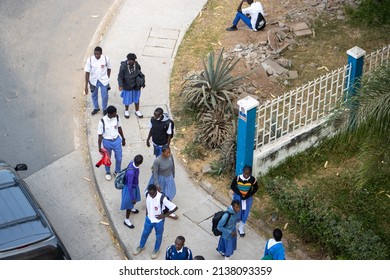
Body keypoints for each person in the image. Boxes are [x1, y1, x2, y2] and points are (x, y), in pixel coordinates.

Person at [133, 184, 178, 259]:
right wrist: (147, 214)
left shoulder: (162, 198)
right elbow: (148, 204)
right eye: (150, 193)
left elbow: (175, 207)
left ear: (156, 191)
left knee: (158, 236)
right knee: (144, 234)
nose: (151, 195)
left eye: (153, 194)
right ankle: (141, 246)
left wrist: (164, 216)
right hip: (149, 220)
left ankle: (156, 250)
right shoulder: (147, 194)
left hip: (159, 222)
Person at [148, 145, 178, 219]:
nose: (168, 154)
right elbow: (155, 173)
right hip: (161, 179)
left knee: (169, 194)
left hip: (169, 178)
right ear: (162, 152)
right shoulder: (157, 161)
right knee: (161, 195)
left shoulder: (170, 156)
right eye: (167, 153)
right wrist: (157, 184)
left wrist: (173, 174)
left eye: (169, 152)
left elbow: (173, 166)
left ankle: (167, 208)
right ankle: (164, 210)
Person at [97, 105, 126, 181]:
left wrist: (123, 138)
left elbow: (119, 128)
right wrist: (99, 147)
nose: (116, 114)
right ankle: (107, 172)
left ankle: (117, 171)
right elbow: (100, 136)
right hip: (107, 142)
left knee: (119, 158)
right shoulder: (102, 122)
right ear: (109, 114)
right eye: (114, 113)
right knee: (107, 158)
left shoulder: (117, 117)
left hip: (116, 140)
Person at [230, 165, 258, 237]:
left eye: (248, 174)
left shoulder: (252, 179)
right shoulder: (238, 178)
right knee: (236, 212)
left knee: (245, 213)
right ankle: (233, 227)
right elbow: (232, 186)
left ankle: (241, 228)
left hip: (247, 199)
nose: (246, 175)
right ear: (242, 172)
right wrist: (239, 194)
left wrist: (248, 195)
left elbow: (255, 188)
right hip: (238, 198)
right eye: (245, 173)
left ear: (250, 174)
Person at [84, 46, 112, 115]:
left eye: (98, 54)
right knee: (94, 95)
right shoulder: (90, 60)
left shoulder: (106, 59)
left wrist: (107, 78)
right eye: (95, 54)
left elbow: (109, 68)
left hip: (103, 81)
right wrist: (86, 86)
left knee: (105, 96)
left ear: (101, 53)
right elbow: (87, 72)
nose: (96, 55)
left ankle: (104, 109)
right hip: (93, 81)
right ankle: (96, 108)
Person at [117, 53, 145, 119]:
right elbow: (120, 77)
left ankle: (137, 111)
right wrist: (120, 85)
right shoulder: (123, 66)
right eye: (130, 60)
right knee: (127, 99)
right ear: (128, 59)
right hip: (127, 85)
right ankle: (126, 110)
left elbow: (139, 71)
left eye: (133, 60)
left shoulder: (136, 64)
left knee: (137, 98)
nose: (132, 61)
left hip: (136, 84)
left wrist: (141, 81)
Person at [121, 154, 143, 229]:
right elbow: (129, 186)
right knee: (129, 205)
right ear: (141, 163)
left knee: (134, 201)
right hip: (130, 189)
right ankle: (126, 220)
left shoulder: (131, 163)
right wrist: (132, 198)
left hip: (134, 187)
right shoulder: (131, 173)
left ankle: (132, 208)